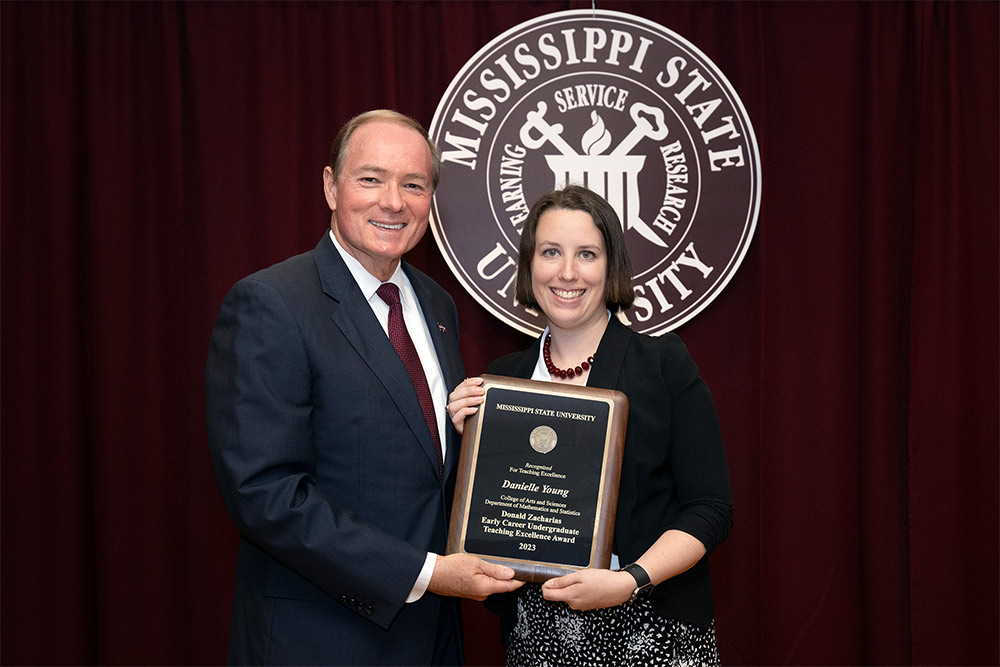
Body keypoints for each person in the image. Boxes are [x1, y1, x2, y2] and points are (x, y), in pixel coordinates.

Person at [206, 109, 521, 666]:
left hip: (432, 637)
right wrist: (426, 572)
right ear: (331, 186)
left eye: (414, 185)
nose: (393, 201)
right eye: (371, 179)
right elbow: (265, 494)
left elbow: (420, 459)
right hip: (321, 637)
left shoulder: (437, 305)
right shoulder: (272, 303)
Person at [447, 185, 734, 666]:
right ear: (529, 265)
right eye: (550, 252)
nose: (567, 272)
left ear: (611, 267)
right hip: (538, 635)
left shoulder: (662, 365)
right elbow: (489, 517)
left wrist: (630, 580)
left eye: (587, 254)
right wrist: (469, 438)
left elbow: (710, 509)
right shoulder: (502, 379)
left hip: (651, 628)